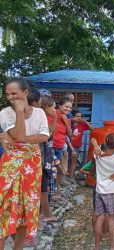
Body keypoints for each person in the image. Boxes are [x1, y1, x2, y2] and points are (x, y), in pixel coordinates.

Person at [0, 78, 50, 250]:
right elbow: (19, 133)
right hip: (11, 165)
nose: (10, 97)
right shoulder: (5, 113)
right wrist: (19, 112)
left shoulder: (39, 113)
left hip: (32, 166)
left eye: (14, 93)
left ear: (25, 93)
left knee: (25, 209)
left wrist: (16, 140)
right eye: (7, 94)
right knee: (4, 208)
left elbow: (44, 137)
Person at [94, 133, 114, 250]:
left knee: (99, 218)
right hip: (113, 191)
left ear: (106, 143)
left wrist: (95, 146)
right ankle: (112, 247)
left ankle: (97, 246)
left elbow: (93, 139)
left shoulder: (97, 155)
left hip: (100, 191)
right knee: (112, 220)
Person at [38, 95, 59, 224]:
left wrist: (55, 117)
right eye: (54, 107)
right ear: (46, 107)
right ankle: (45, 214)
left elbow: (52, 132)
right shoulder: (41, 120)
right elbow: (49, 135)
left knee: (44, 188)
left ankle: (46, 213)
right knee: (43, 189)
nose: (55, 110)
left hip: (46, 156)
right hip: (42, 158)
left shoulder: (45, 119)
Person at [51, 98, 73, 190]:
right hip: (51, 145)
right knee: (51, 168)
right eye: (66, 106)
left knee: (58, 169)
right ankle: (49, 189)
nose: (68, 109)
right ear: (59, 106)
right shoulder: (51, 114)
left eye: (70, 107)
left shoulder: (67, 118)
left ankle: (57, 186)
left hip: (60, 146)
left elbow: (70, 134)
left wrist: (66, 122)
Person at [70, 109, 93, 179]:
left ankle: (71, 176)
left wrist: (85, 121)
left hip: (77, 146)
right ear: (73, 117)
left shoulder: (82, 124)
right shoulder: (69, 123)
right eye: (77, 116)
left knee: (73, 162)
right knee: (67, 161)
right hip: (68, 145)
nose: (79, 118)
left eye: (80, 116)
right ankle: (66, 175)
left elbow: (92, 129)